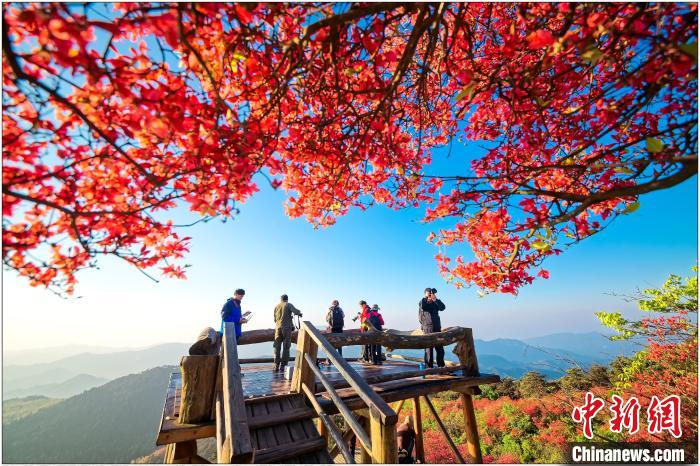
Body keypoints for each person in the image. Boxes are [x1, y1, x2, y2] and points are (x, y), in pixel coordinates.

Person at [273, 294, 303, 371]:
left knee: (277, 347)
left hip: (277, 328)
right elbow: (296, 312)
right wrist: (299, 313)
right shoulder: (288, 304)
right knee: (286, 346)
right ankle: (283, 365)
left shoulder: (277, 306)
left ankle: (276, 365)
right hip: (286, 328)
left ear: (281, 299)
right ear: (287, 299)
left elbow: (275, 319)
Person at [418, 287, 446, 368]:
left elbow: (443, 307)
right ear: (425, 294)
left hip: (437, 327)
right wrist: (426, 297)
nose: (431, 295)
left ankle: (441, 366)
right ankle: (429, 367)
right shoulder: (422, 302)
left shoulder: (435, 302)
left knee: (439, 347)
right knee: (429, 349)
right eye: (429, 293)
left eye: (432, 294)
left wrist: (436, 300)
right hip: (427, 328)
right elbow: (423, 306)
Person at [325, 299, 345, 365]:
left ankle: (328, 360)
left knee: (330, 344)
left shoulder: (330, 310)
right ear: (338, 304)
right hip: (339, 328)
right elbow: (343, 316)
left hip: (332, 328)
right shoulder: (340, 309)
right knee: (340, 343)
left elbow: (327, 319)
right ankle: (340, 360)